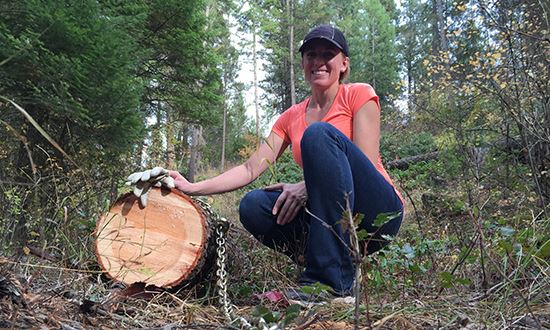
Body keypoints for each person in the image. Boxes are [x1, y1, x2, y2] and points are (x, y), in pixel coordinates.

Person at [128, 24, 404, 301]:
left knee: (319, 135)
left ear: (344, 63)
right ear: (303, 63)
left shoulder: (358, 94)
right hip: (335, 213)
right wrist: (191, 187)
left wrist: (306, 186)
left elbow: (364, 163)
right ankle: (333, 263)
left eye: (328, 54)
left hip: (378, 209)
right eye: (311, 54)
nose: (318, 61)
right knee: (254, 205)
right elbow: (250, 169)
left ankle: (330, 285)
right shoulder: (291, 117)